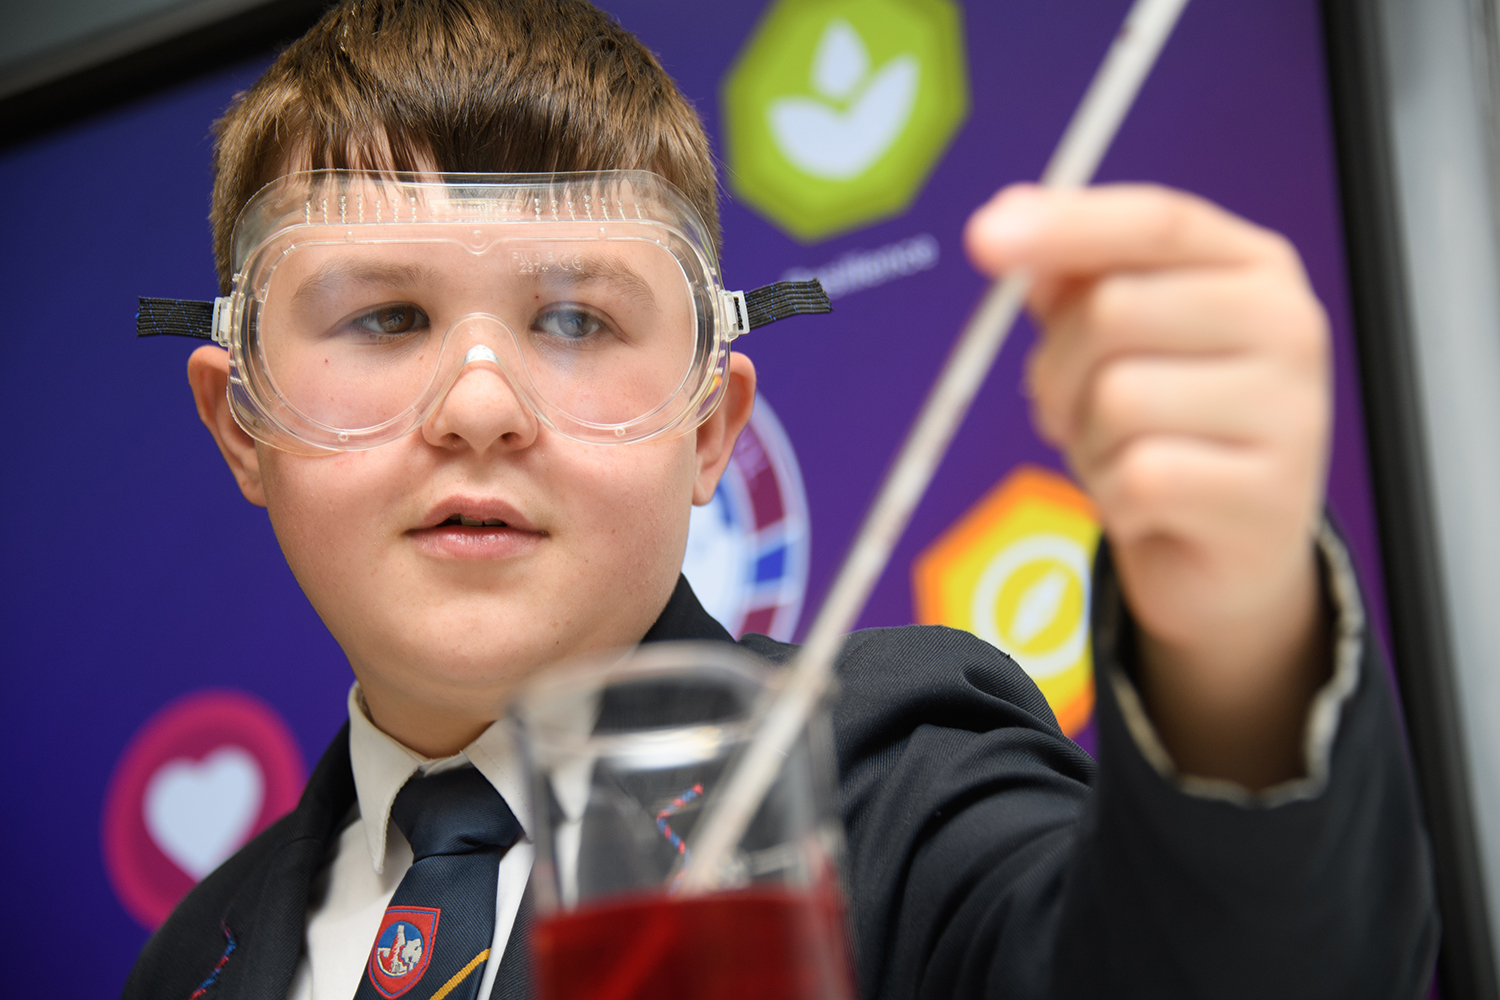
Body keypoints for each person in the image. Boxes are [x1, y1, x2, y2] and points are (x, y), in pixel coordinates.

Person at [123, 0, 1437, 997]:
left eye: (576, 316)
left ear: (709, 429)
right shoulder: (193, 956)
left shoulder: (879, 774)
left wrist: (1242, 633)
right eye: (388, 315)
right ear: (243, 421)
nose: (480, 405)